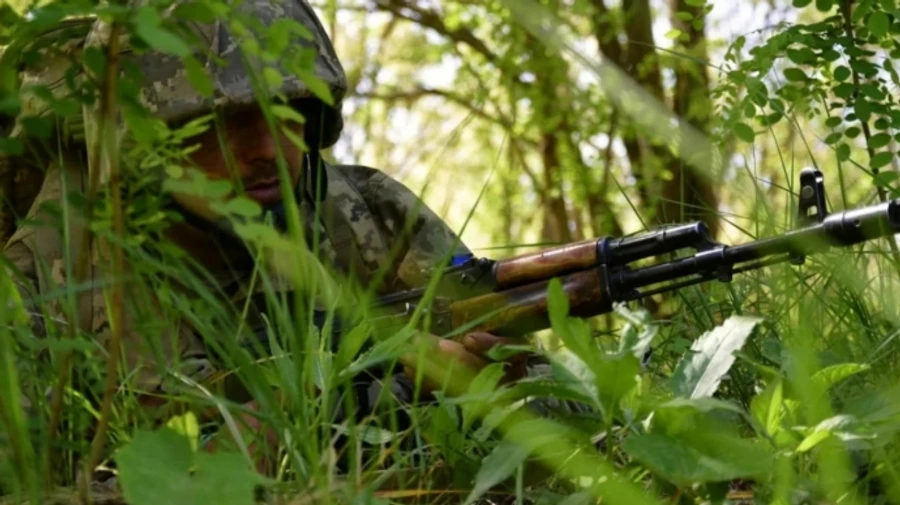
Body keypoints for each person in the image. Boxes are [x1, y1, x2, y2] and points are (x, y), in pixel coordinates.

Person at [1, 0, 528, 475]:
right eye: (222, 124)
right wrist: (332, 405)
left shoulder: (369, 215)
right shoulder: (40, 287)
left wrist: (494, 386)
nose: (268, 148)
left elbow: (567, 414)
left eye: (288, 110)